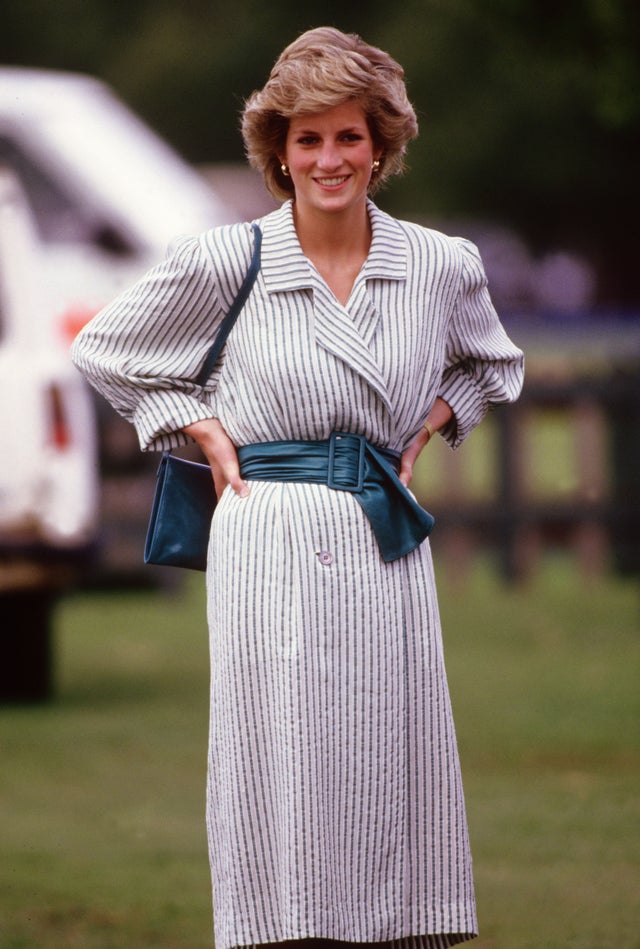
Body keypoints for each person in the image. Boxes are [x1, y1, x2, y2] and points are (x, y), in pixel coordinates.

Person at [72, 26, 524, 949]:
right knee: (282, 757)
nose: (329, 158)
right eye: (307, 137)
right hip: (266, 532)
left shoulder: (440, 264)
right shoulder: (223, 261)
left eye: (349, 135)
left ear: (383, 142)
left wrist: (435, 418)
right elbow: (103, 350)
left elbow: (494, 363)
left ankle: (406, 926)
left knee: (390, 757)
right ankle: (281, 930)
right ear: (277, 148)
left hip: (382, 535)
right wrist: (191, 422)